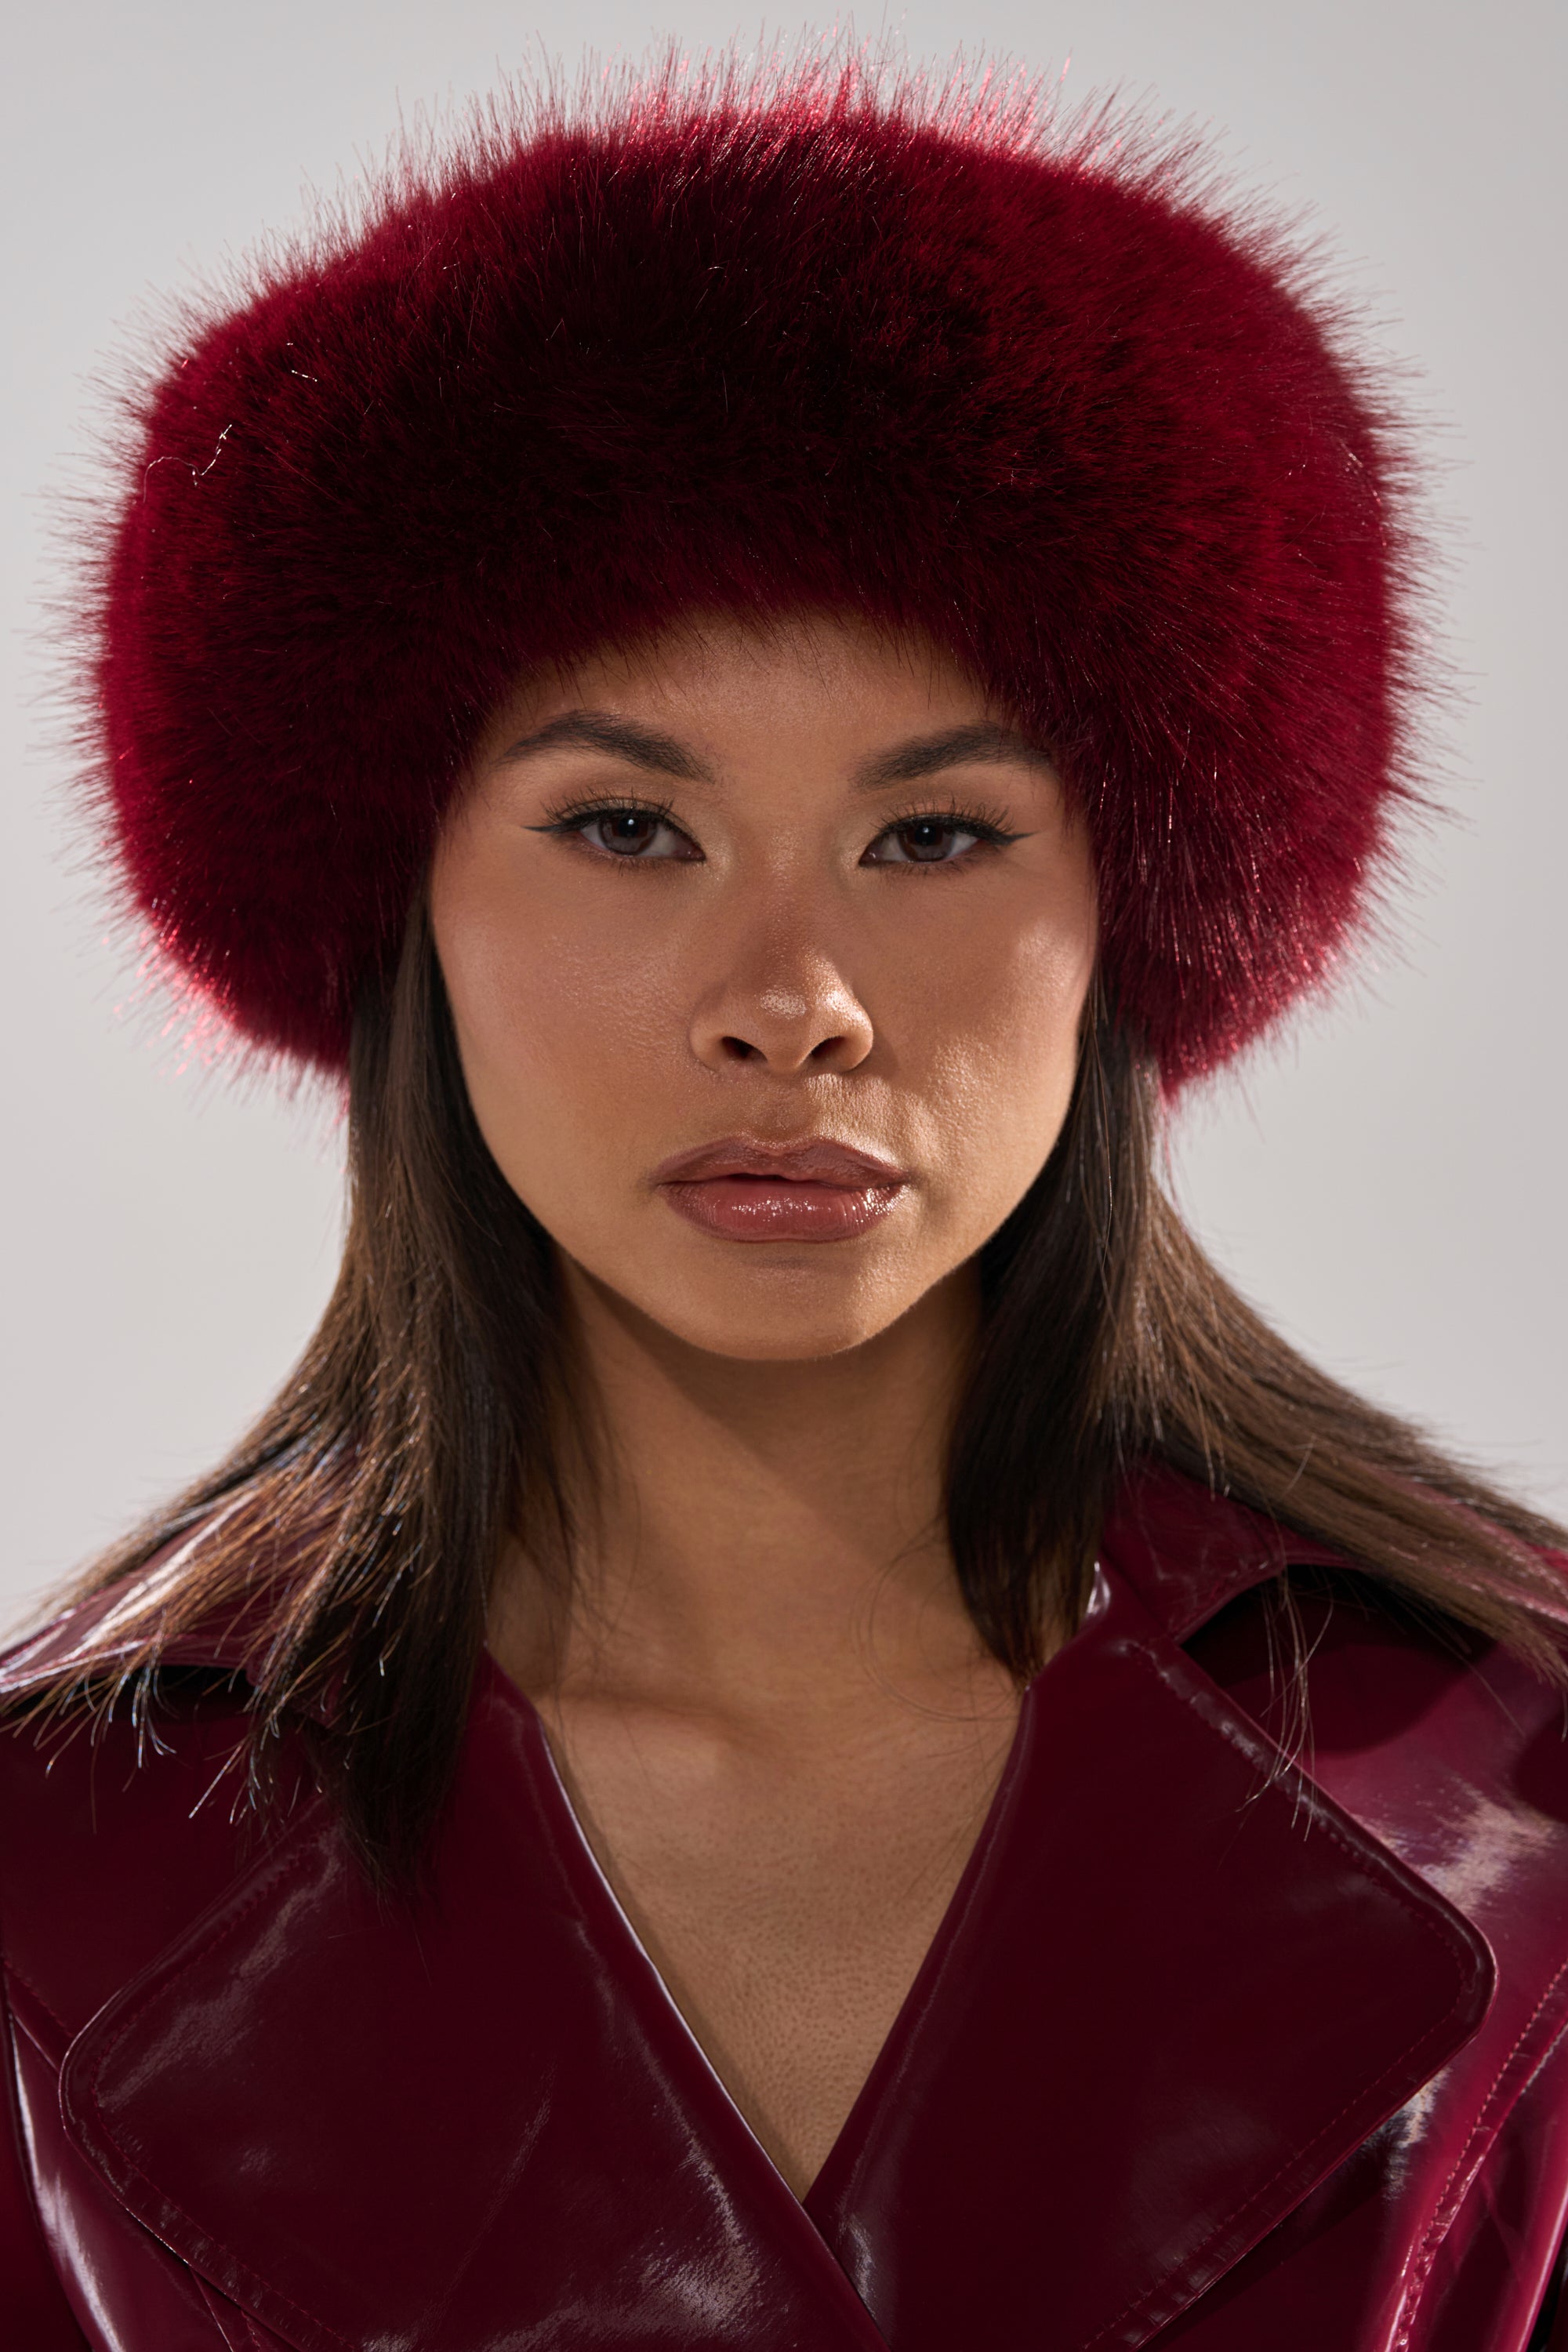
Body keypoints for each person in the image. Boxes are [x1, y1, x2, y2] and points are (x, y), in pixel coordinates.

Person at [2, 56, 1566, 2352]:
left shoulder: (1512, 1806)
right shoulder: (61, 1870)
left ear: (1128, 911)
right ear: (400, 908)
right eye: (628, 829)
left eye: (935, 836)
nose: (796, 1001)